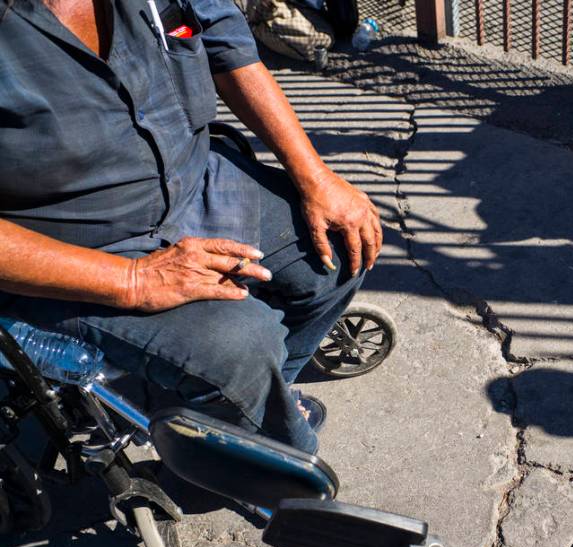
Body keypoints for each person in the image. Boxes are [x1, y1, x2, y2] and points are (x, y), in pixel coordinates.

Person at [0, 0, 383, 453]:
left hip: (195, 179)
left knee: (340, 250)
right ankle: (268, 460)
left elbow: (226, 47)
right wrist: (134, 280)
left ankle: (256, 406)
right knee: (240, 348)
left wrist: (316, 177)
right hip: (76, 241)